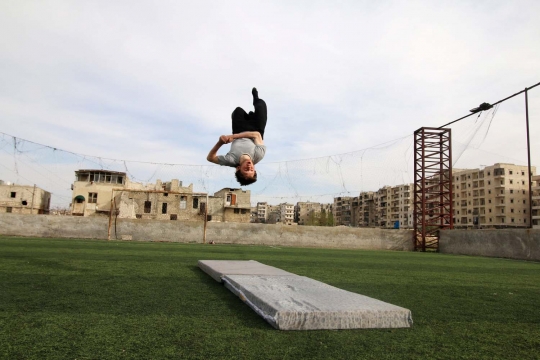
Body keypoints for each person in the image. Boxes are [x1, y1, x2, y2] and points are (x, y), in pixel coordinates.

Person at [206, 88, 267, 185]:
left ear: (238, 168)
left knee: (237, 111)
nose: (249, 167)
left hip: (239, 128)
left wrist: (220, 143)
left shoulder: (231, 160)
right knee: (261, 106)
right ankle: (256, 98)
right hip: (256, 128)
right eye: (251, 170)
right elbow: (256, 135)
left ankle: (248, 115)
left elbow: (210, 158)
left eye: (246, 170)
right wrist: (234, 137)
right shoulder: (258, 155)